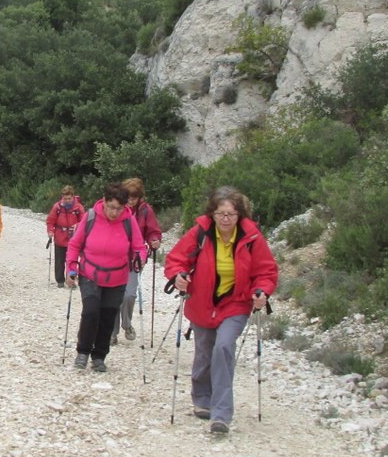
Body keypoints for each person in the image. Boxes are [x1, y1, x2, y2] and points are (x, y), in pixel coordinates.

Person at [164, 186, 277, 434]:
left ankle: (221, 413)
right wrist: (178, 276)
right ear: (212, 214)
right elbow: (176, 259)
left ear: (240, 216)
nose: (226, 219)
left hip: (235, 304)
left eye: (231, 214)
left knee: (224, 347)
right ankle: (202, 399)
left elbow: (266, 271)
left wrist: (261, 291)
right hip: (202, 303)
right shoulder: (200, 233)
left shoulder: (251, 238)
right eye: (221, 213)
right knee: (204, 354)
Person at [65, 183, 147, 373]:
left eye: (119, 208)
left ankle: (99, 356)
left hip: (117, 278)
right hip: (90, 274)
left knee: (108, 317)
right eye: (111, 207)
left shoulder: (129, 221)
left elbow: (139, 247)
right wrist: (71, 267)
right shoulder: (91, 216)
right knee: (91, 312)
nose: (114, 212)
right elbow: (75, 244)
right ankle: (83, 353)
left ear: (125, 206)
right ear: (104, 202)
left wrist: (140, 259)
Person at [113, 178, 162, 344]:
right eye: (129, 197)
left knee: (129, 295)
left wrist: (154, 240)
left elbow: (153, 230)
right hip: (114, 258)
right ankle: (112, 331)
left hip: (135, 260)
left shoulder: (145, 211)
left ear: (139, 197)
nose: (131, 200)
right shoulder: (116, 208)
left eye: (134, 197)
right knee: (114, 296)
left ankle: (126, 324)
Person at [46, 186, 85, 288]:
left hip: (74, 239)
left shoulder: (78, 208)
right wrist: (50, 231)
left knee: (72, 260)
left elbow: (84, 222)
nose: (67, 201)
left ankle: (71, 281)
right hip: (60, 237)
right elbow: (50, 221)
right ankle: (60, 280)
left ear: (73, 197)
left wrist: (77, 225)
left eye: (69, 198)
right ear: (62, 197)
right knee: (59, 260)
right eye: (65, 198)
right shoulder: (57, 207)